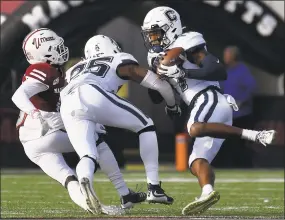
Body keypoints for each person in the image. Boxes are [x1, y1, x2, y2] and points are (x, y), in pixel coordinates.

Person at [141, 6, 276, 215]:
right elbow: (156, 96)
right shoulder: (156, 56)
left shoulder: (188, 41)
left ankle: (255, 135)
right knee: (195, 162)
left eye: (156, 34)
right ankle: (207, 192)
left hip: (209, 98)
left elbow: (218, 71)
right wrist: (155, 77)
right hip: (204, 110)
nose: (153, 40)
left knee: (193, 128)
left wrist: (182, 71)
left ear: (170, 28)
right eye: (150, 35)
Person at [11, 28, 146, 215]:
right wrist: (34, 112)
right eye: (56, 47)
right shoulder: (43, 69)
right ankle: (124, 193)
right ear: (45, 51)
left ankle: (98, 209)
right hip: (44, 130)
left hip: (31, 145)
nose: (62, 50)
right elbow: (19, 95)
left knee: (69, 180)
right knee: (97, 143)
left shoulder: (55, 71)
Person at [60, 34, 181, 205]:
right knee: (146, 126)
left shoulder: (74, 68)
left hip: (68, 105)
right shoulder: (118, 57)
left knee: (89, 154)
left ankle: (88, 180)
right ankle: (154, 188)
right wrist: (172, 105)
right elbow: (157, 83)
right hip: (93, 92)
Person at [221, 46, 257, 167]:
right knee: (228, 143)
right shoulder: (225, 71)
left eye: (227, 54)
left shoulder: (242, 70)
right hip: (227, 115)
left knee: (240, 143)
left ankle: (245, 166)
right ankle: (230, 166)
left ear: (233, 56)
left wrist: (242, 101)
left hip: (241, 115)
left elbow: (251, 87)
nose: (225, 57)